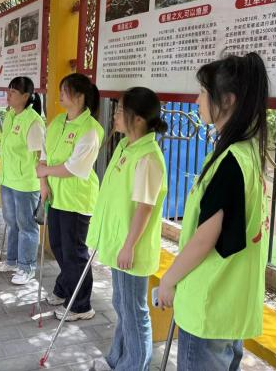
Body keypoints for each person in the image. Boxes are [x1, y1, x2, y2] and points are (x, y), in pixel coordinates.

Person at [158, 52, 270, 370]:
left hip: (209, 305)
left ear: (228, 100)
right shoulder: (247, 152)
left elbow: (204, 238)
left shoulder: (231, 161)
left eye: (203, 92)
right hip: (230, 305)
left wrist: (168, 280)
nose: (197, 100)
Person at [89, 88, 168, 371]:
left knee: (134, 311)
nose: (115, 115)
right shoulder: (126, 146)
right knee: (122, 305)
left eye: (121, 110)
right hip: (119, 242)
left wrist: (129, 245)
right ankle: (117, 360)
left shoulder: (148, 157)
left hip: (130, 248)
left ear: (139, 119)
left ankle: (134, 365)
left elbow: (144, 208)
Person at [36, 73, 104, 321]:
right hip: (55, 196)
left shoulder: (90, 130)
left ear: (80, 96)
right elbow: (43, 155)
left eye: (65, 91)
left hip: (76, 200)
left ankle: (81, 305)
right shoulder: (57, 122)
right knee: (58, 246)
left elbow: (75, 168)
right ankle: (65, 288)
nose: (60, 95)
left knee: (74, 252)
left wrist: (45, 172)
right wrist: (43, 183)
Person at [0, 76, 45, 285]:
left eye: (13, 92)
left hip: (25, 183)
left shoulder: (33, 121)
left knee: (27, 226)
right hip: (8, 180)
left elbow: (41, 156)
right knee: (11, 223)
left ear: (25, 96)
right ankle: (12, 261)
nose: (9, 95)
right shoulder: (11, 116)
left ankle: (27, 267)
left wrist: (43, 184)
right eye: (9, 91)